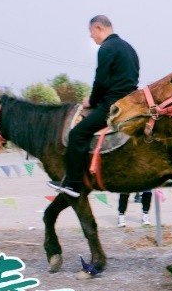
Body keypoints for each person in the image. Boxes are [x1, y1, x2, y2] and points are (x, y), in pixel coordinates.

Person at [48, 15, 139, 197]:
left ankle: (73, 184)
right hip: (131, 102)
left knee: (77, 134)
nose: (91, 37)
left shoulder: (106, 48)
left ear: (98, 27)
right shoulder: (129, 48)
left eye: (91, 33)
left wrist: (92, 101)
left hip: (112, 106)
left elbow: (101, 81)